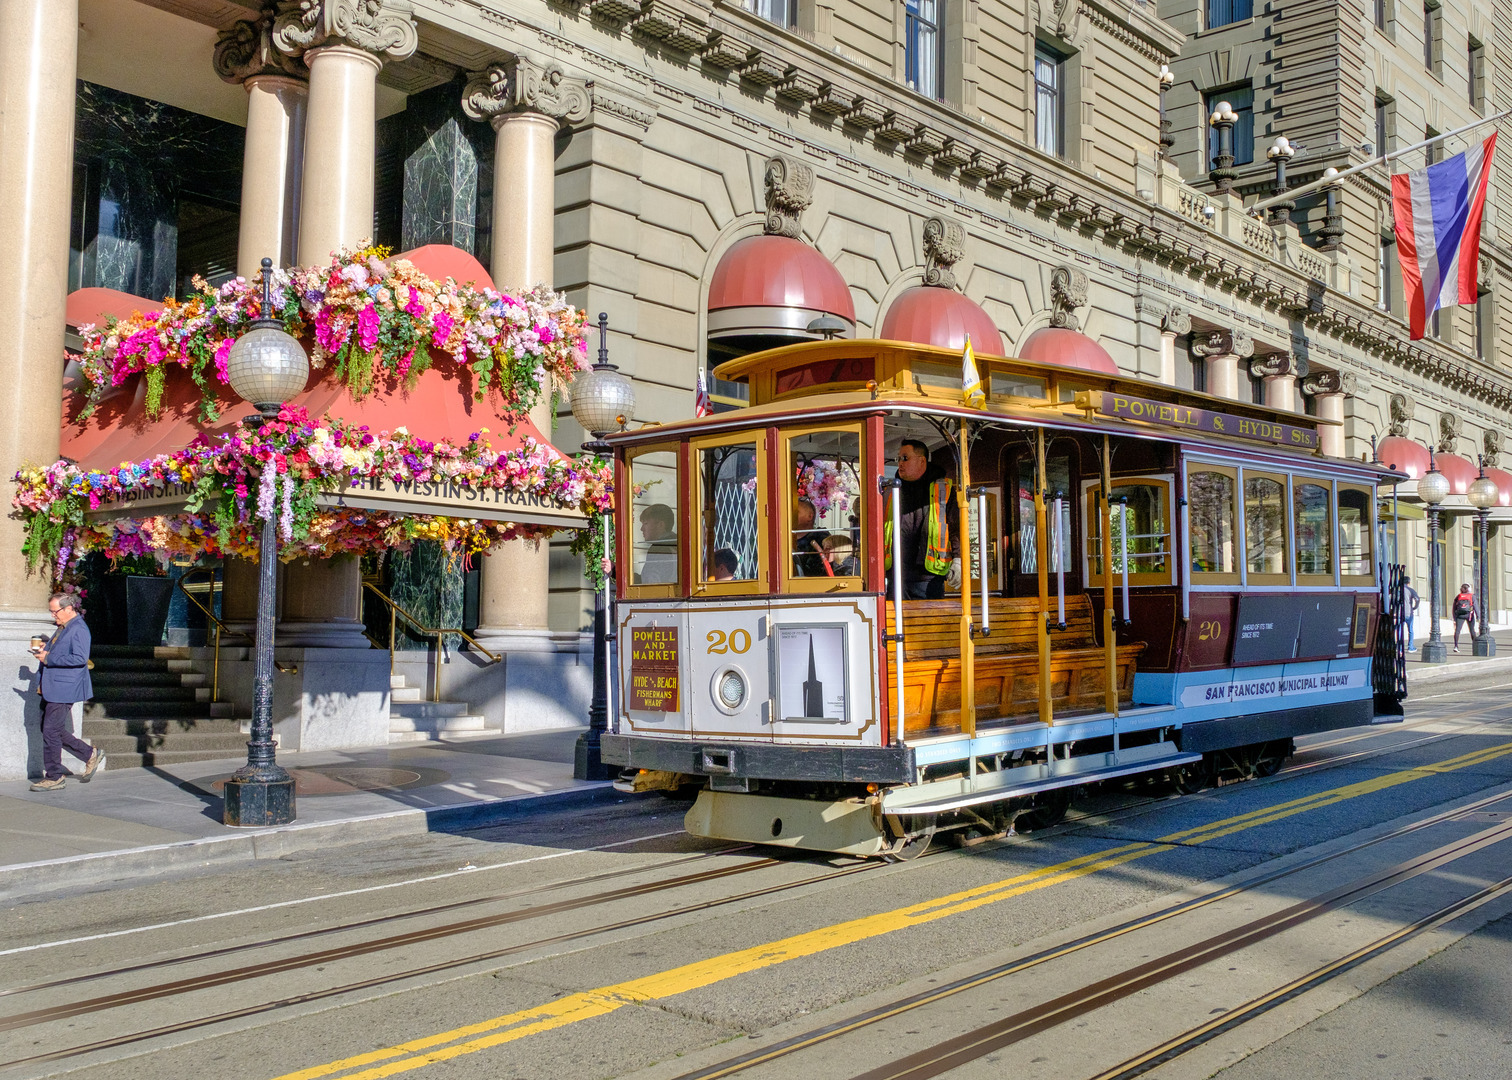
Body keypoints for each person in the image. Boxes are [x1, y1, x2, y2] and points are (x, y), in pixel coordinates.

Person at [31, 592, 103, 791]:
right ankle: (89, 754)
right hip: (53, 686)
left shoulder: (78, 628)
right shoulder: (64, 627)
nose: (53, 615)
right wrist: (48, 649)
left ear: (69, 608)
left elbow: (79, 659)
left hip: (64, 688)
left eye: (56, 611)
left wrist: (48, 658)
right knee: (49, 729)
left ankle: (54, 776)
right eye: (51, 611)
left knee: (51, 731)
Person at [889, 438, 961, 599]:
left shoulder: (943, 489)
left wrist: (959, 559)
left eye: (905, 458)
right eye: (898, 458)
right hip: (896, 575)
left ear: (922, 461)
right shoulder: (891, 489)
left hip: (929, 577)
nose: (900, 463)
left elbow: (955, 527)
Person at [637, 503, 678, 584]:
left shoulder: (659, 548)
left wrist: (616, 571)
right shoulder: (678, 544)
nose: (641, 529)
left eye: (645, 524)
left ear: (660, 525)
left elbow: (649, 583)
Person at [791, 497, 830, 577]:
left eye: (796, 512)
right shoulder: (782, 539)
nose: (790, 515)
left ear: (810, 516)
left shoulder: (821, 539)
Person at [1452, 582, 1478, 653]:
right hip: (1469, 615)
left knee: (1457, 630)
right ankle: (1475, 645)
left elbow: (1454, 607)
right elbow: (1475, 606)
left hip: (1460, 615)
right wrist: (1478, 615)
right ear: (1468, 589)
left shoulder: (1458, 596)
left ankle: (1456, 646)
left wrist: (1454, 616)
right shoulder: (1472, 596)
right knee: (1472, 630)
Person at [1402, 575, 1420, 651]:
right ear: (1408, 582)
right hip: (1409, 612)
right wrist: (1415, 607)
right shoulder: (1410, 590)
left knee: (1399, 630)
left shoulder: (1398, 590)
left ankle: (1400, 647)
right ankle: (1410, 646)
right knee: (1410, 630)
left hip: (1400, 612)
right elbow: (1417, 599)